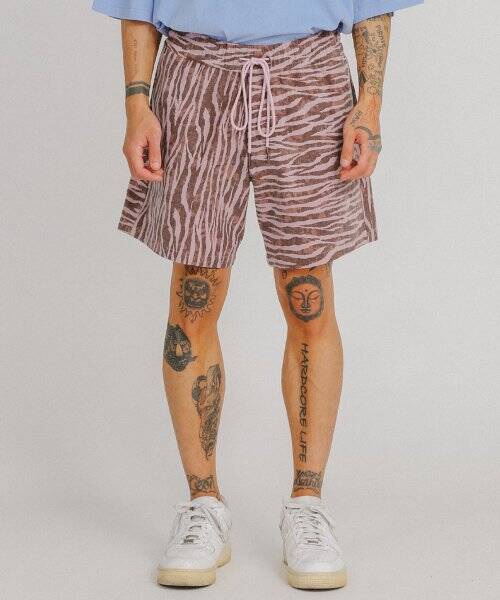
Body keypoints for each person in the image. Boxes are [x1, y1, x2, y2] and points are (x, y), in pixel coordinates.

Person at [92, 0, 423, 589]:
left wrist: (370, 102)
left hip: (309, 81)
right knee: (193, 299)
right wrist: (137, 102)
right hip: (194, 81)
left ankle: (307, 503)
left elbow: (373, 4)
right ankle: (203, 504)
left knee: (308, 296)